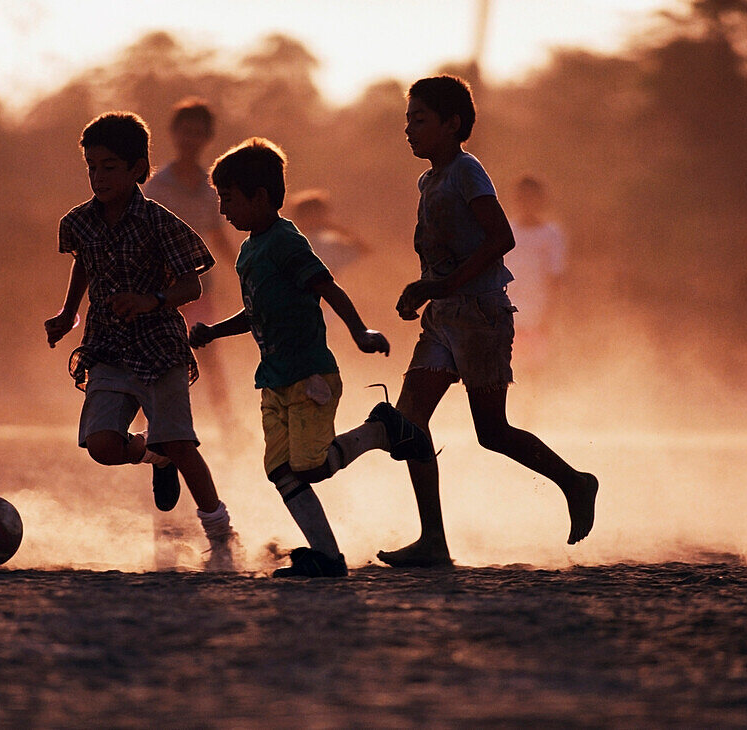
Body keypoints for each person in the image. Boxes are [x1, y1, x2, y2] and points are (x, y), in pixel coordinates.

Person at [376, 76, 599, 568]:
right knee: (411, 421)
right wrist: (428, 291)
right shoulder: (429, 179)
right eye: (407, 120)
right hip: (443, 318)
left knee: (491, 431)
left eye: (420, 120)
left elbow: (501, 238)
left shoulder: (465, 172)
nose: (409, 130)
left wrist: (440, 286)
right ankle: (432, 539)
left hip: (480, 316)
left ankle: (576, 483)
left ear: (452, 125)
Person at [190, 138, 434, 578]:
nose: (223, 210)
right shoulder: (248, 251)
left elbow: (328, 288)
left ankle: (382, 430)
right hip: (274, 379)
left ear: (260, 197)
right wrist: (215, 332)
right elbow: (256, 311)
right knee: (282, 471)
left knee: (311, 466)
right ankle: (327, 556)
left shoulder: (287, 242)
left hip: (309, 377)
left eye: (229, 198)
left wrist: (360, 331)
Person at [44, 111, 237, 571]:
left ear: (137, 170)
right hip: (107, 347)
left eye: (109, 167)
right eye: (92, 166)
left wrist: (151, 300)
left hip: (159, 351)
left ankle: (220, 534)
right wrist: (68, 313)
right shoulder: (80, 223)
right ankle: (153, 455)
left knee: (182, 445)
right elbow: (85, 263)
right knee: (102, 445)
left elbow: (191, 286)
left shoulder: (159, 223)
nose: (98, 176)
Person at [143, 98, 241, 437]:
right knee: (155, 357)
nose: (191, 140)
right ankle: (148, 427)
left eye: (199, 134)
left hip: (199, 286)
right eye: (186, 132)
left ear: (207, 138)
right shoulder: (155, 186)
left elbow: (218, 234)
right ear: (173, 134)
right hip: (159, 288)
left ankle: (228, 425)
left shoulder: (211, 186)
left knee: (208, 354)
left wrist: (244, 270)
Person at [504, 175, 566, 378]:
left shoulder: (552, 234)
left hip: (537, 318)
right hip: (506, 317)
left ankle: (533, 410)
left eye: (532, 198)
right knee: (505, 374)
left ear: (540, 200)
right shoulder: (505, 232)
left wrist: (549, 317)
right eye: (523, 198)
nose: (527, 203)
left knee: (534, 375)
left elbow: (556, 279)